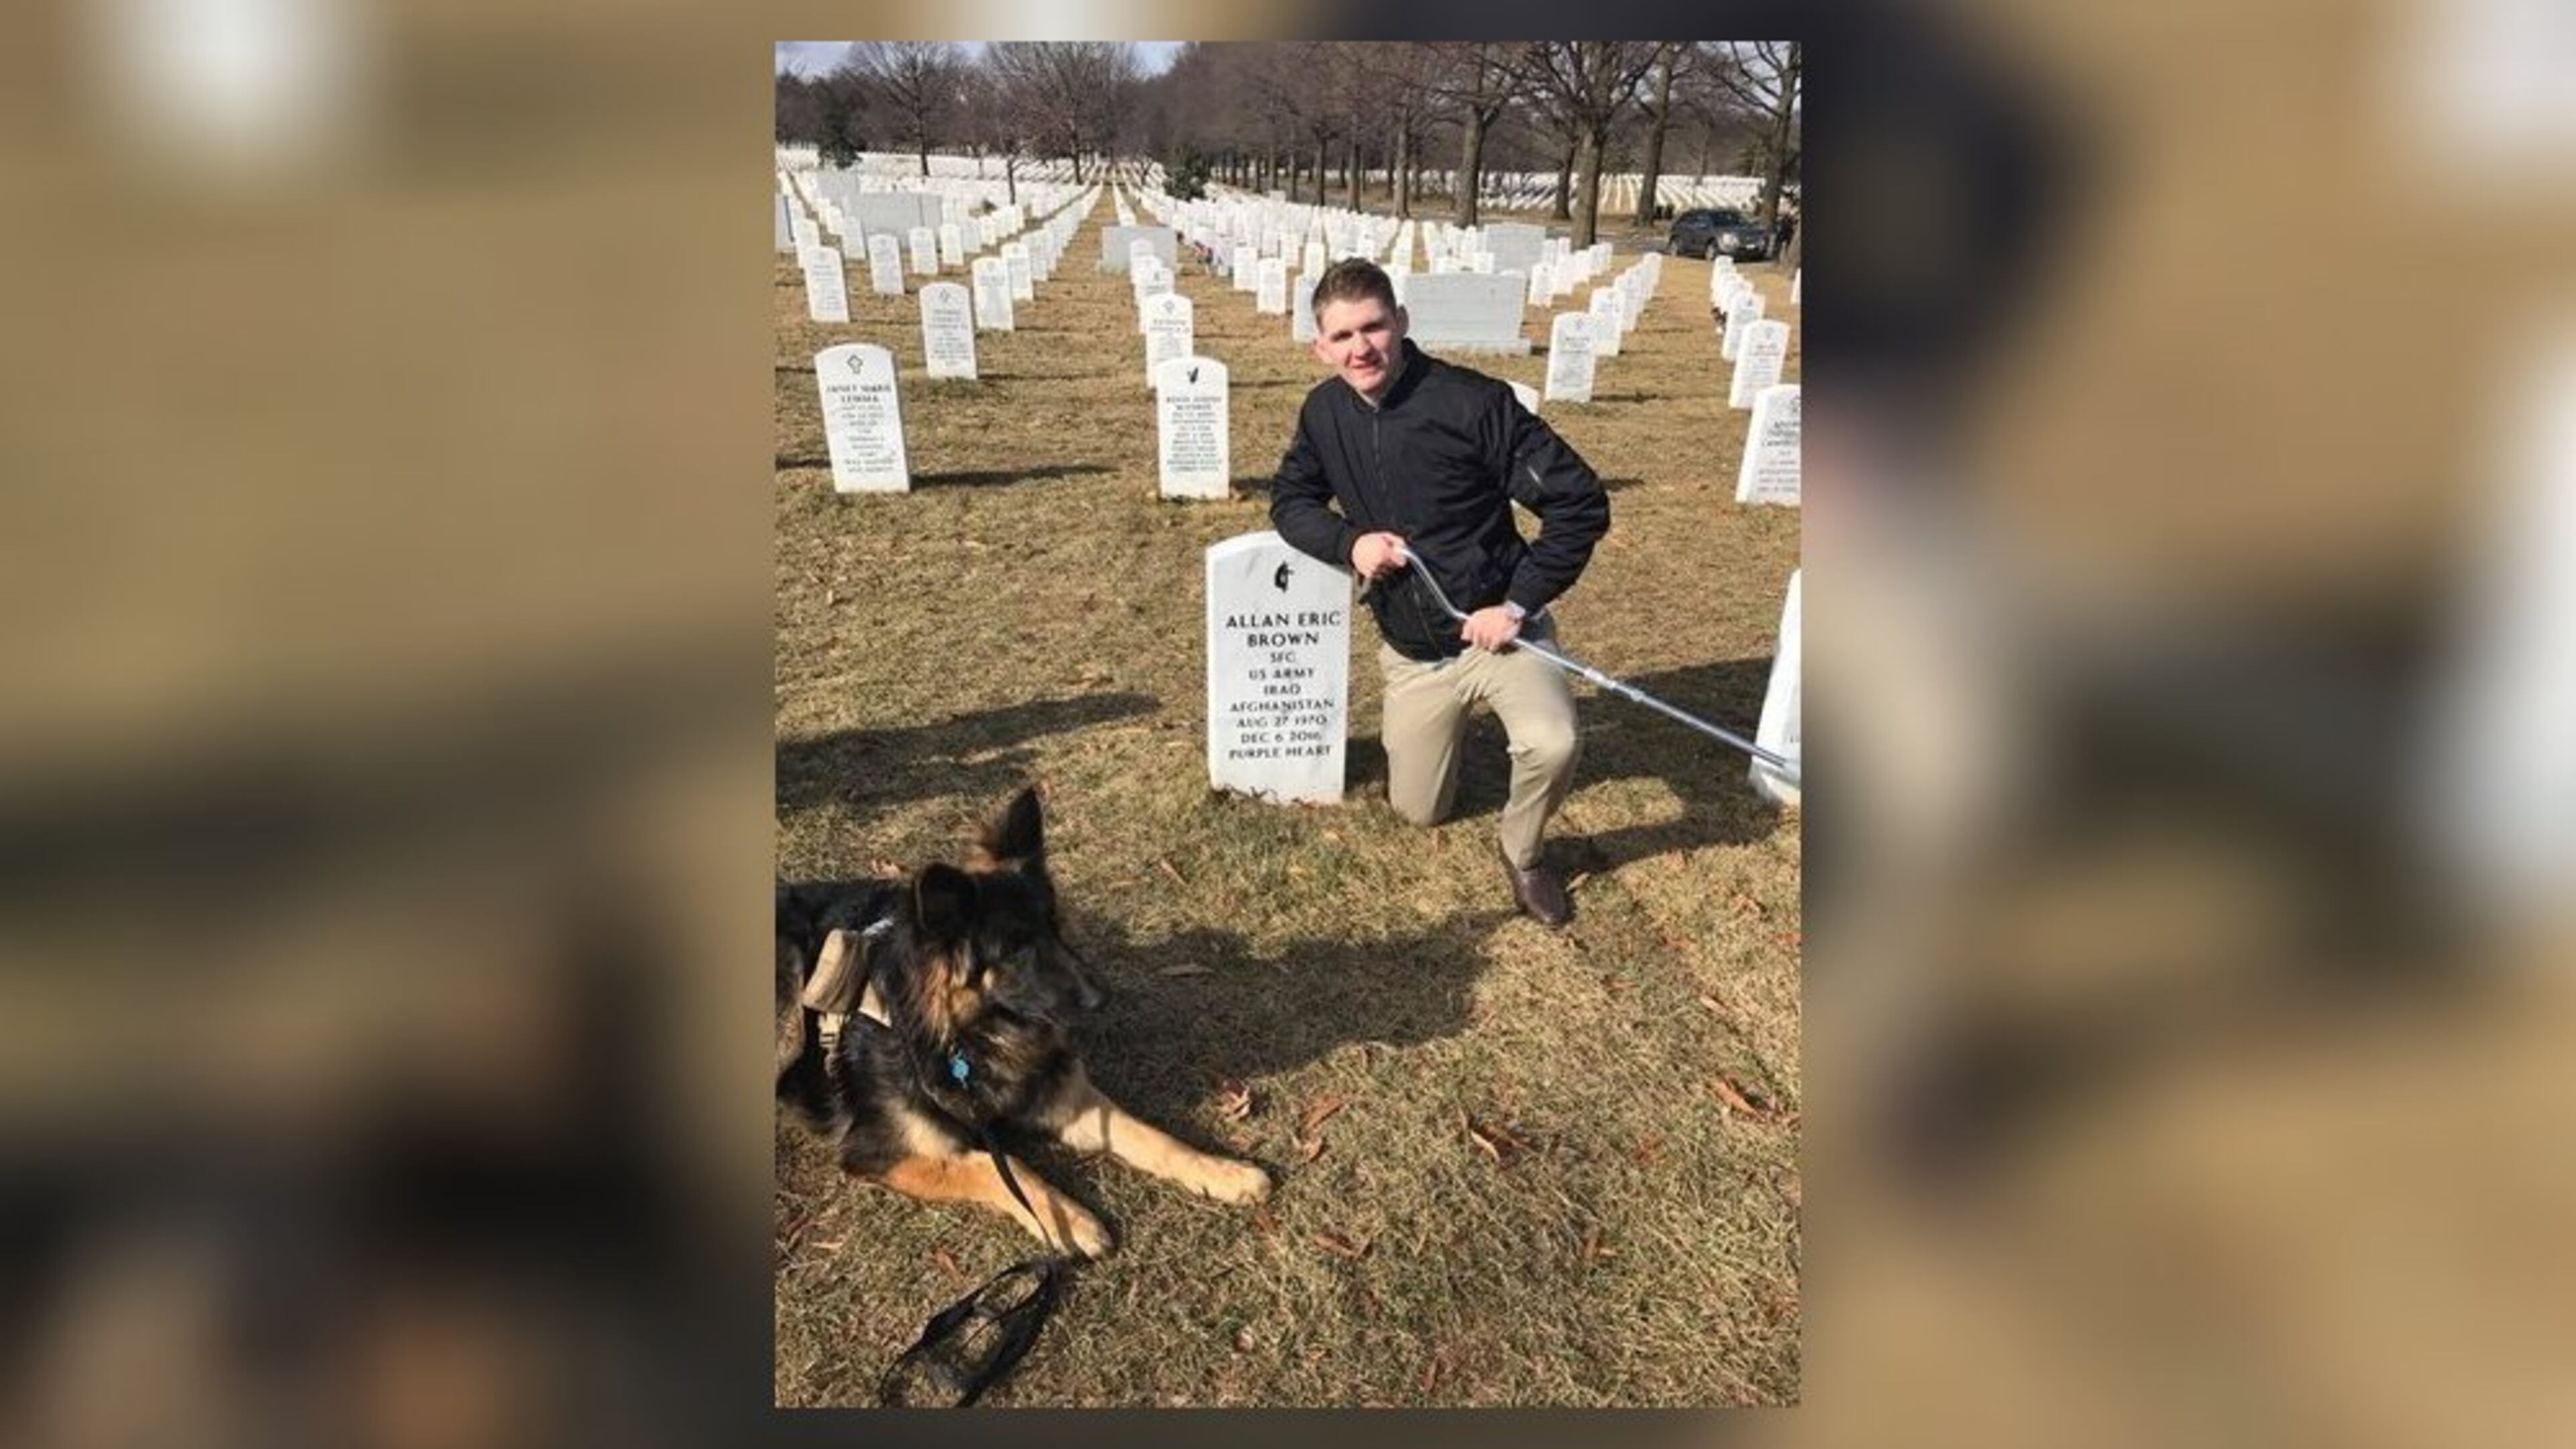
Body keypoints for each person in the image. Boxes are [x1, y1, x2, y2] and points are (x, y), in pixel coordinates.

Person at [1269, 258, 1611, 928]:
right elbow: (1291, 499)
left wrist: (1516, 604)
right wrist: (1350, 545)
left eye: (1373, 327)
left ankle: (1525, 852)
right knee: (1420, 809)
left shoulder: (1474, 403)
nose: (1360, 347)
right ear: (1320, 346)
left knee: (1554, 742)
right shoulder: (1323, 412)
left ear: (1401, 322)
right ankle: (1449, 736)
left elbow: (1580, 504)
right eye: (1341, 336)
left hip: (1499, 634)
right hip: (1412, 648)